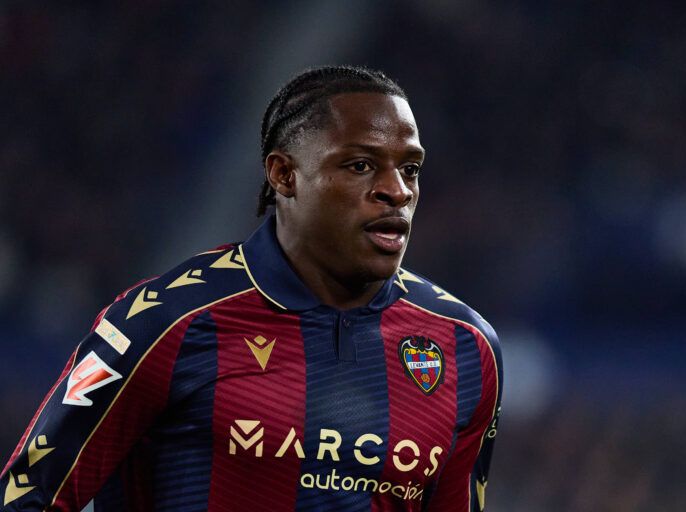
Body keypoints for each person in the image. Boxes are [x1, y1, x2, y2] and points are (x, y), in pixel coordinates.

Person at [1, 65, 503, 511]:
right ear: (284, 175)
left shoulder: (466, 346)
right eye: (360, 165)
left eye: (410, 169)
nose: (397, 190)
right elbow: (28, 494)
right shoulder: (164, 321)